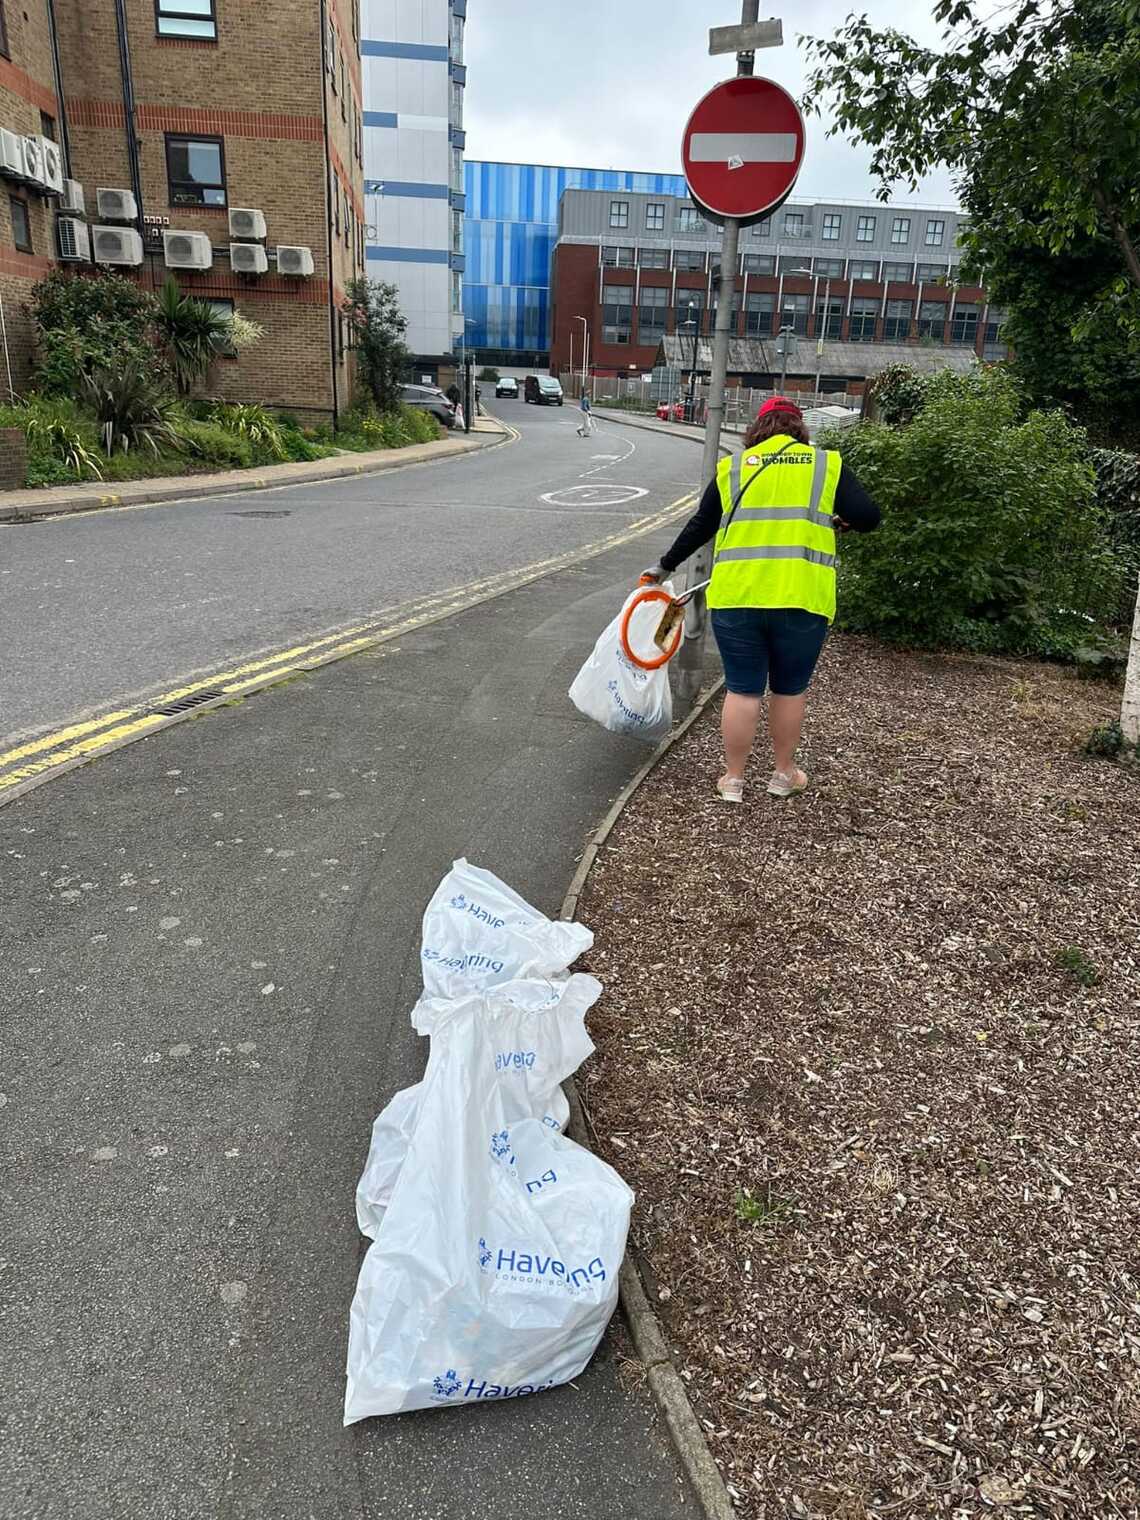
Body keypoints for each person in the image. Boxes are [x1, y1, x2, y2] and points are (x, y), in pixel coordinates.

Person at [641, 397, 880, 803]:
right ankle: (783, 775)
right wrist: (837, 522)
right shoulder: (826, 465)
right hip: (801, 597)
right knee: (789, 689)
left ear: (758, 427)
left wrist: (663, 568)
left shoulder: (734, 467)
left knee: (743, 689)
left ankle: (733, 780)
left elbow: (701, 525)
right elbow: (870, 517)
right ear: (799, 429)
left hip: (739, 597)